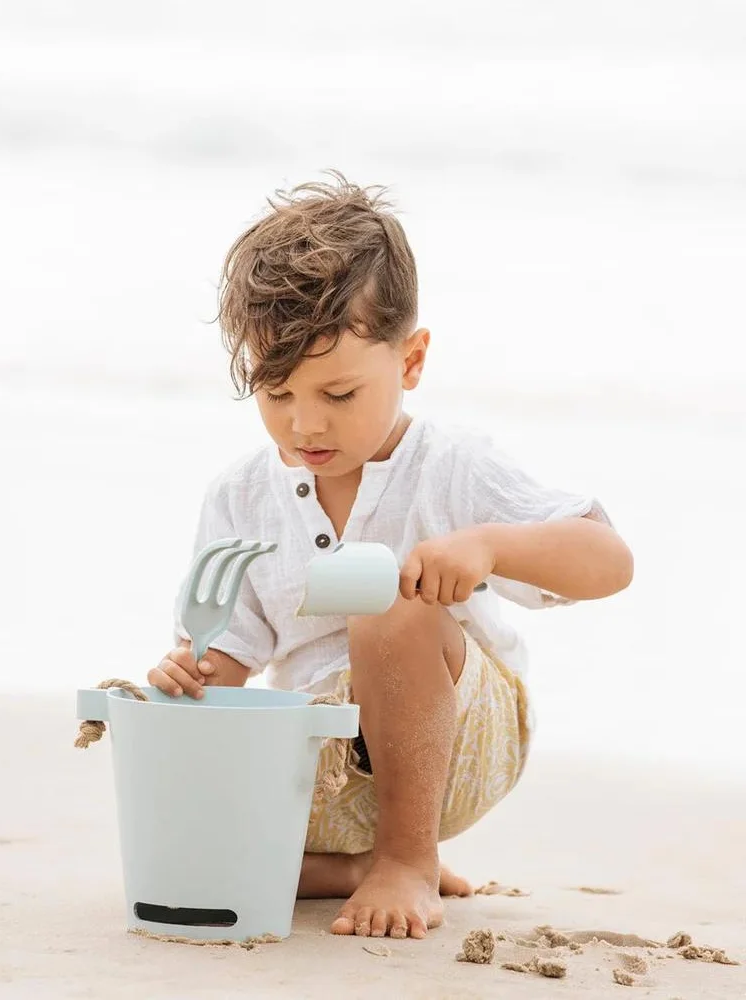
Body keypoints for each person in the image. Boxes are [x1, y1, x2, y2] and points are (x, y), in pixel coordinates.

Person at [147, 171, 634, 940]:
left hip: (455, 742)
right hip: (316, 764)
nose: (305, 425)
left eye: (338, 395)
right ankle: (353, 867)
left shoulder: (452, 467)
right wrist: (191, 675)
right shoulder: (241, 495)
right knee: (179, 836)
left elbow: (609, 561)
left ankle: (407, 857)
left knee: (386, 601)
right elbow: (228, 661)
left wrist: (488, 545)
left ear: (410, 363)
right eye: (276, 396)